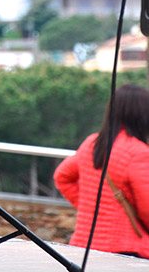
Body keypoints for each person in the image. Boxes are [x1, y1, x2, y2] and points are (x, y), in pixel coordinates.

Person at [53, 83, 149, 259]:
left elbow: (62, 176)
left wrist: (91, 207)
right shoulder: (138, 152)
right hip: (124, 249)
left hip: (83, 246)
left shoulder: (92, 143)